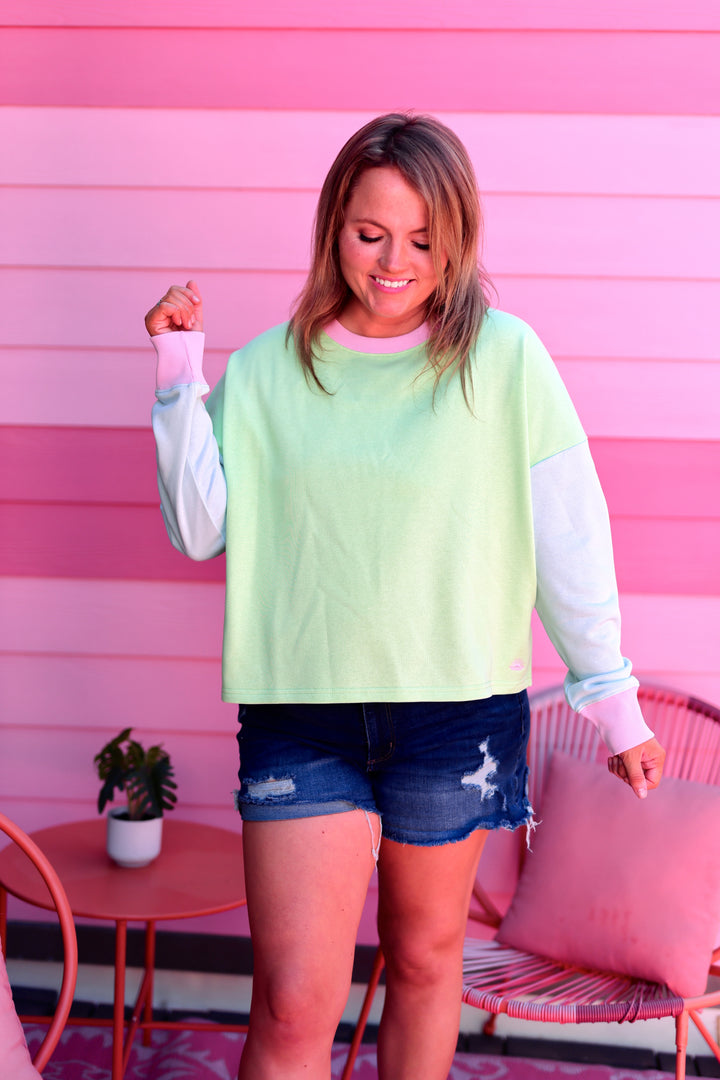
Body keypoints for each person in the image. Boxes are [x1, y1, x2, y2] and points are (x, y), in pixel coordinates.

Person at [145, 113, 665, 1080]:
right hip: (304, 716)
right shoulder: (265, 372)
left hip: (455, 717)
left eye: (424, 239)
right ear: (333, 225)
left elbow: (569, 538)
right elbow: (199, 529)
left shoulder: (505, 362)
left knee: (424, 964)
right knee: (294, 1003)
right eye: (370, 232)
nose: (395, 262)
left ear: (457, 240)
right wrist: (181, 375)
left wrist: (615, 705)